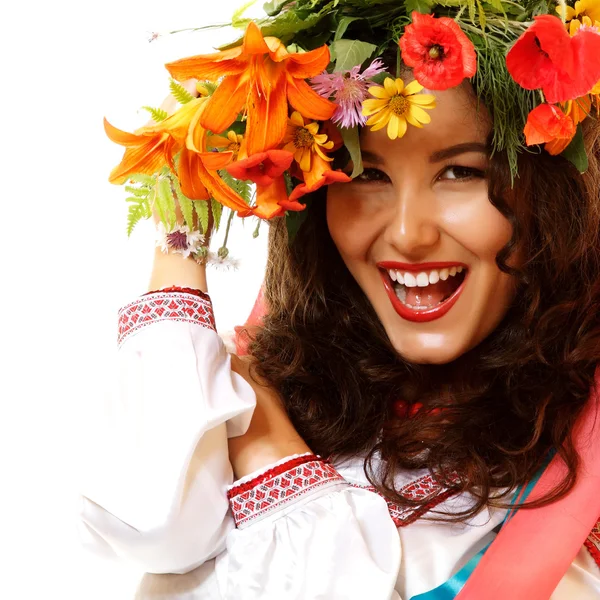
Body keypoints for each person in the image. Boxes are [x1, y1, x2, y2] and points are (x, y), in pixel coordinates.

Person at [80, 2, 600, 599]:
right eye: (365, 175)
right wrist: (181, 233)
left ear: (556, 196)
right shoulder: (243, 377)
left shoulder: (576, 463)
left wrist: (266, 442)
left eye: (460, 173)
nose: (408, 233)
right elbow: (148, 526)